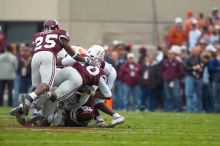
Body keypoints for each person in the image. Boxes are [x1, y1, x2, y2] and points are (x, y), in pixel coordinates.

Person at [20, 19, 95, 115]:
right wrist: (86, 60)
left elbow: (38, 46)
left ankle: (26, 108)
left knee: (37, 88)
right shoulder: (61, 33)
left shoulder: (37, 35)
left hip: (35, 57)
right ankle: (28, 98)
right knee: (46, 86)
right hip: (48, 55)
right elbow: (72, 54)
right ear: (56, 27)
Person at [184, 47, 203, 112]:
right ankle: (190, 109)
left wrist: (200, 68)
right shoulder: (188, 58)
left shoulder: (201, 58)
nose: (196, 52)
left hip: (198, 77)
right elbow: (185, 67)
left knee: (199, 94)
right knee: (189, 93)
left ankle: (198, 109)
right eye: (195, 51)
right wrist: (193, 68)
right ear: (192, 51)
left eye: (197, 51)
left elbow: (203, 66)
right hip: (190, 76)